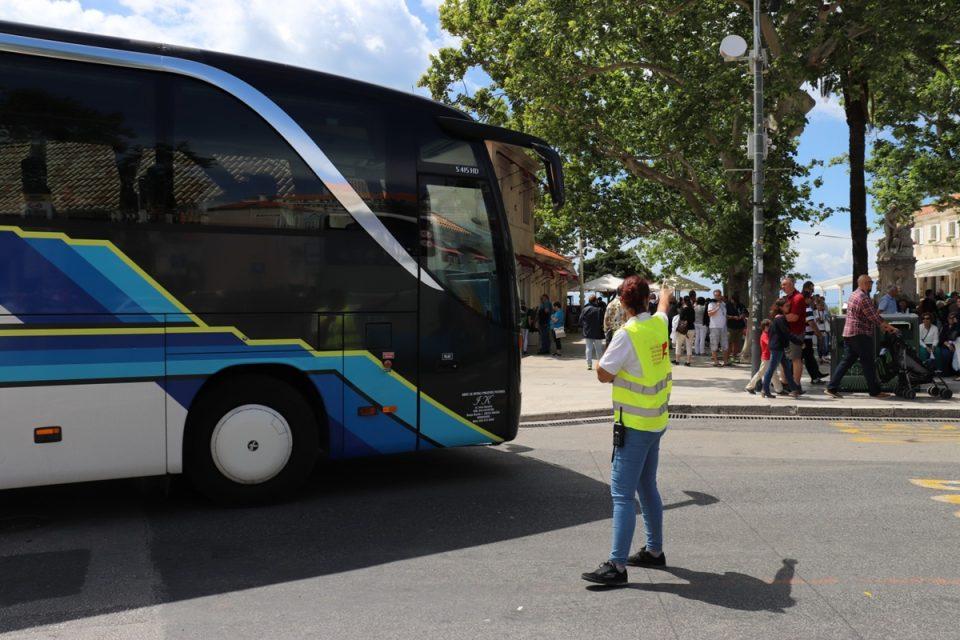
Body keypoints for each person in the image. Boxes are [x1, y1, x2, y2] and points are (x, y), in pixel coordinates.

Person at [581, 278, 672, 586]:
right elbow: (664, 306)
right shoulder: (659, 325)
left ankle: (617, 566)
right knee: (647, 485)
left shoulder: (626, 335)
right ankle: (654, 550)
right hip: (656, 422)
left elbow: (603, 374)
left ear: (622, 303)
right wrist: (666, 291)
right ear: (647, 299)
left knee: (622, 495)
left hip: (634, 424)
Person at [825, 275, 898, 399]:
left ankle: (831, 387)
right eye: (870, 282)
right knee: (868, 363)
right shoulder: (863, 297)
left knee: (847, 361)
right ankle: (875, 391)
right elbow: (874, 316)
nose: (872, 284)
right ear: (864, 283)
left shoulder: (853, 294)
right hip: (860, 334)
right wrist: (889, 327)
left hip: (850, 333)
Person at [762, 298, 802, 399]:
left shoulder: (777, 318)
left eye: (789, 305)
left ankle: (794, 390)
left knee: (787, 369)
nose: (789, 307)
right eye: (787, 306)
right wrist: (799, 342)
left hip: (779, 347)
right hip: (777, 348)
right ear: (781, 307)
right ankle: (765, 390)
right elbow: (786, 333)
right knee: (771, 369)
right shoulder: (780, 319)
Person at [781, 277, 808, 394]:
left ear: (792, 284)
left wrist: (778, 319)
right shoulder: (786, 298)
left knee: (796, 359)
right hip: (786, 333)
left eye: (785, 284)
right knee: (783, 359)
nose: (782, 287)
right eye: (782, 285)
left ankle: (796, 386)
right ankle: (785, 383)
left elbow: (794, 317)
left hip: (796, 333)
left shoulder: (798, 298)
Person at [745, 319, 784, 395]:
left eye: (770, 326)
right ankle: (749, 387)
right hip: (766, 357)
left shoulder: (768, 334)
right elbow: (770, 343)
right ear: (764, 327)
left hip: (769, 357)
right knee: (761, 373)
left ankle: (779, 389)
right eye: (768, 326)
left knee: (773, 374)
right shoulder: (764, 335)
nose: (770, 327)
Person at [802, 289, 827, 384]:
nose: (812, 300)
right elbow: (811, 323)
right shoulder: (807, 309)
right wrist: (819, 335)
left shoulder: (801, 308)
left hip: (802, 337)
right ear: (807, 298)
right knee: (809, 358)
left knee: (809, 358)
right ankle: (816, 376)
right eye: (811, 298)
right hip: (806, 338)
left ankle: (816, 375)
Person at [580, 295, 606, 370]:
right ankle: (600, 364)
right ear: (595, 301)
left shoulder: (585, 309)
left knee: (588, 348)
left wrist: (584, 327)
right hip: (597, 332)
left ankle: (589, 364)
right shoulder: (599, 309)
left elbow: (580, 320)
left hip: (588, 331)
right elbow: (602, 321)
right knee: (598, 349)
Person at [707, 289, 728, 367]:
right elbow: (709, 314)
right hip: (714, 327)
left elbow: (724, 315)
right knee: (714, 344)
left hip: (723, 327)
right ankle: (716, 362)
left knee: (725, 344)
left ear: (721, 295)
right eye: (715, 295)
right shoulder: (711, 304)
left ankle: (725, 361)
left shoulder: (723, 304)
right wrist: (717, 307)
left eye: (718, 295)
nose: (717, 297)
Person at [673, 297, 695, 366]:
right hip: (691, 328)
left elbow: (681, 318)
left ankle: (677, 360)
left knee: (678, 344)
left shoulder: (683, 309)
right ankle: (688, 362)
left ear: (683, 301)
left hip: (683, 329)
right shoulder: (692, 309)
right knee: (689, 346)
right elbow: (693, 319)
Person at [726, 294, 746, 364]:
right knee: (729, 342)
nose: (734, 301)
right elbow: (725, 315)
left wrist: (742, 316)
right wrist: (733, 317)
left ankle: (734, 357)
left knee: (737, 342)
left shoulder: (741, 305)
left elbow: (745, 313)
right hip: (730, 326)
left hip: (740, 326)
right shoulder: (727, 305)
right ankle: (727, 358)